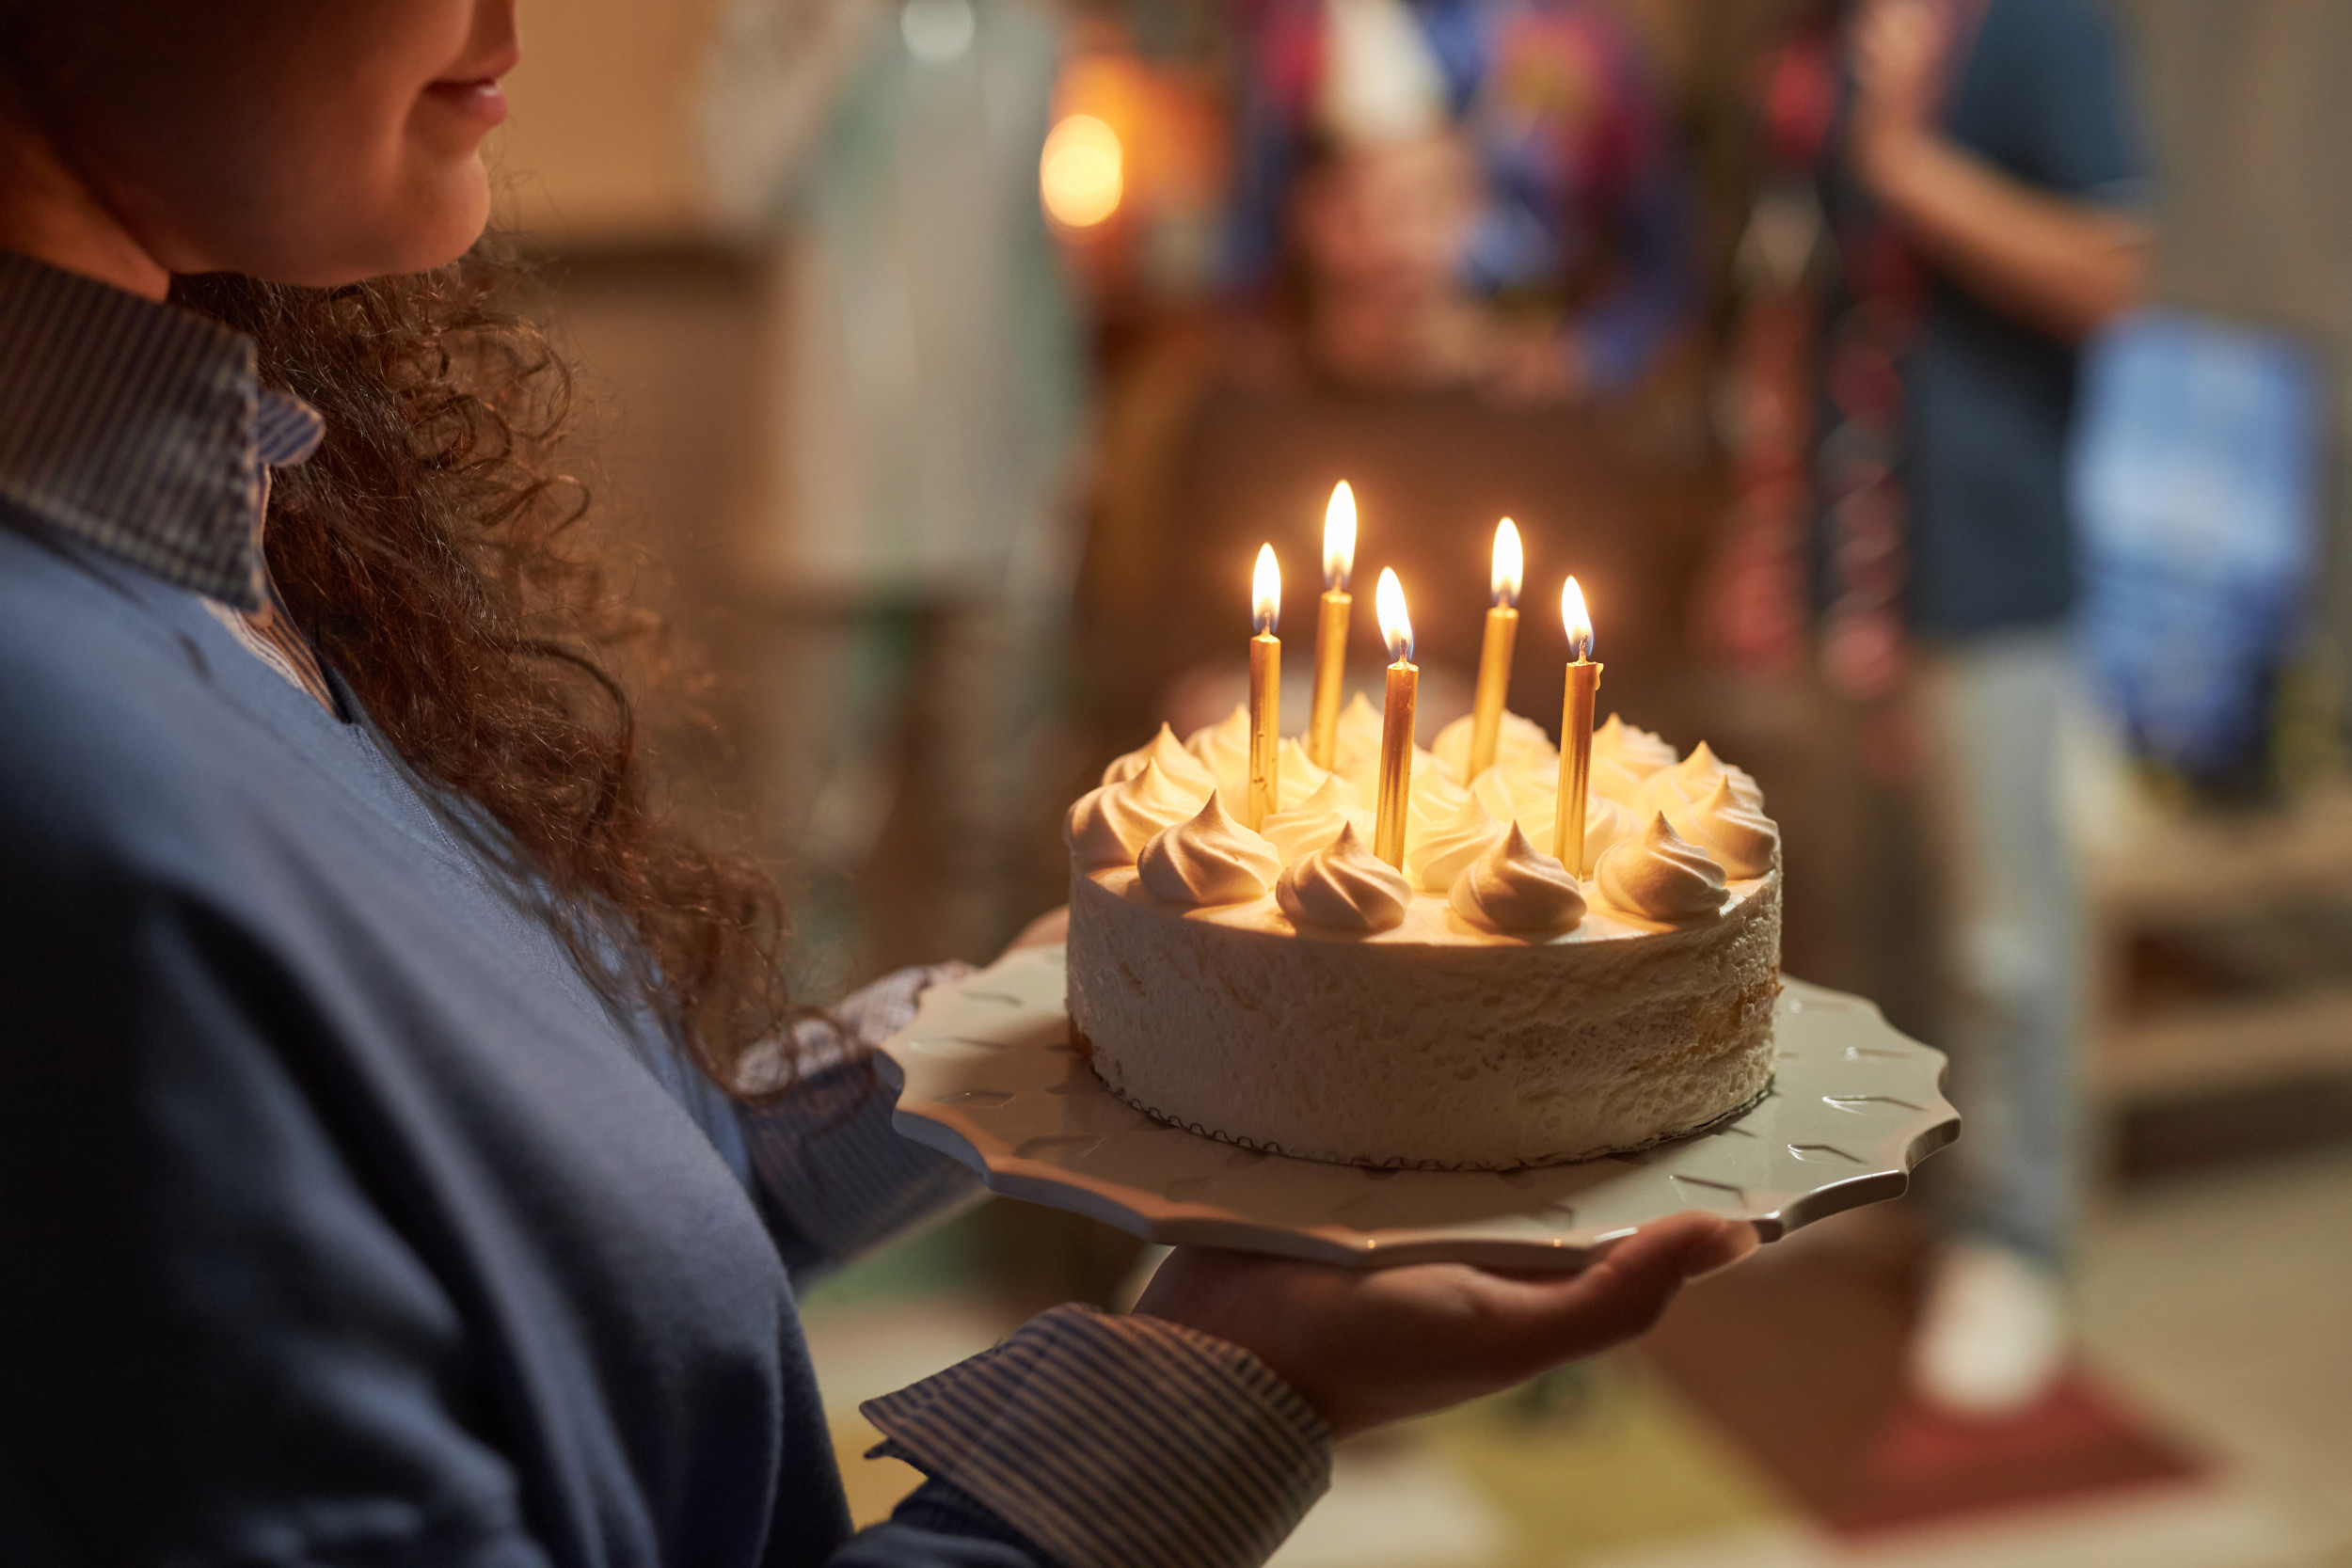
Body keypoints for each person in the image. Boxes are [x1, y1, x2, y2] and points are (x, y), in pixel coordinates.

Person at [0, 3, 1755, 1563]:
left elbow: (575, 1239)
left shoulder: (220, 513)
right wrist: (1235, 1378)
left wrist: (1103, 1008)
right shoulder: (73, 813)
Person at [1709, 0, 2149, 1413]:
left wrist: (1906, 164)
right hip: (1843, 543)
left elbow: (2114, 271)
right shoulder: (1812, 36)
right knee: (1862, 904)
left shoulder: (2038, 27)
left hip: (1989, 554)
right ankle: (1896, 1181)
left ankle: (2017, 1239)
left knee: (2007, 938)